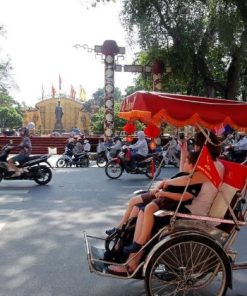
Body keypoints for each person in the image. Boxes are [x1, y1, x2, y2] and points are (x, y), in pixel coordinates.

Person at [108, 130, 225, 275]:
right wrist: (183, 151)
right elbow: (185, 172)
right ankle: (123, 253)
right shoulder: (208, 163)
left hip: (191, 211)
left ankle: (133, 262)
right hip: (185, 204)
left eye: (196, 145)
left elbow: (188, 179)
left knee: (147, 211)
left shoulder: (213, 167)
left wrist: (165, 182)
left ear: (203, 146)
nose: (194, 148)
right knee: (139, 209)